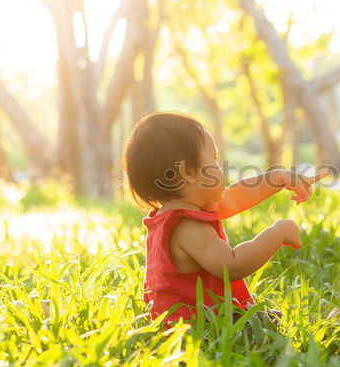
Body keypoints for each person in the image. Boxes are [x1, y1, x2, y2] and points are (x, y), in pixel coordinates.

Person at [123, 111, 326, 330]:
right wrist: (278, 232)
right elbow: (232, 265)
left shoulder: (181, 211)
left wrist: (279, 178)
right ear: (189, 172)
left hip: (204, 319)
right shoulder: (186, 227)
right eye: (215, 160)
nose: (220, 169)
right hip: (197, 327)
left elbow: (235, 198)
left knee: (266, 318)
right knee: (264, 323)